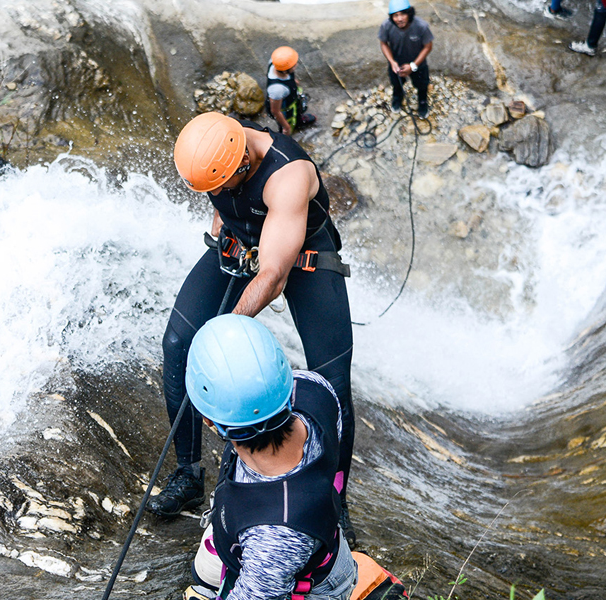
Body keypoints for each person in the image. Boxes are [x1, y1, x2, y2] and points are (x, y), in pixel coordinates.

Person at [146, 112, 358, 548]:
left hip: (301, 256)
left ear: (242, 163)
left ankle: (333, 501)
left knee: (332, 378)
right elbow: (220, 200)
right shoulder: (212, 145)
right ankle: (188, 473)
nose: (214, 193)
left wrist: (226, 328)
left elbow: (275, 275)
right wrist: (223, 227)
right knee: (178, 344)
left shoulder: (288, 174)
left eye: (219, 185)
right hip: (242, 241)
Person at [181, 314, 358, 600]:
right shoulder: (313, 388)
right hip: (255, 531)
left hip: (297, 580)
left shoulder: (275, 537)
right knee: (205, 573)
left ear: (209, 421)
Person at [379, 0, 434, 118]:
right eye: (395, 15)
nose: (399, 19)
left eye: (403, 14)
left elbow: (428, 46)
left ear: (409, 13)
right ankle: (397, 97)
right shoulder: (386, 26)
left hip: (418, 63)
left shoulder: (421, 26)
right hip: (397, 63)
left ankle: (422, 102)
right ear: (391, 17)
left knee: (422, 85)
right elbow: (383, 43)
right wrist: (392, 61)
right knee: (397, 84)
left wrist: (413, 65)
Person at [264, 46, 316, 135]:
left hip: (291, 98)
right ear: (284, 71)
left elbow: (290, 74)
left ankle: (299, 121)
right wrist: (286, 127)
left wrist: (293, 81)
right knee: (288, 123)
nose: (296, 66)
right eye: (294, 66)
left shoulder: (275, 63)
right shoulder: (277, 89)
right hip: (284, 109)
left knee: (297, 110)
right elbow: (275, 111)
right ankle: (285, 135)